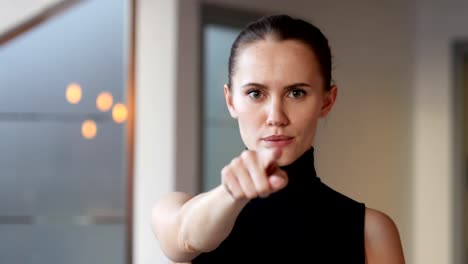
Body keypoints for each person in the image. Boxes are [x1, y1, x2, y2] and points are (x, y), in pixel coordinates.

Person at [151, 14, 405, 264]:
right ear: (230, 101)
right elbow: (184, 239)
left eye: (296, 93)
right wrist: (233, 194)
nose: (276, 117)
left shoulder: (371, 231)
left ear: (327, 101)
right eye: (255, 93)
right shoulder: (175, 210)